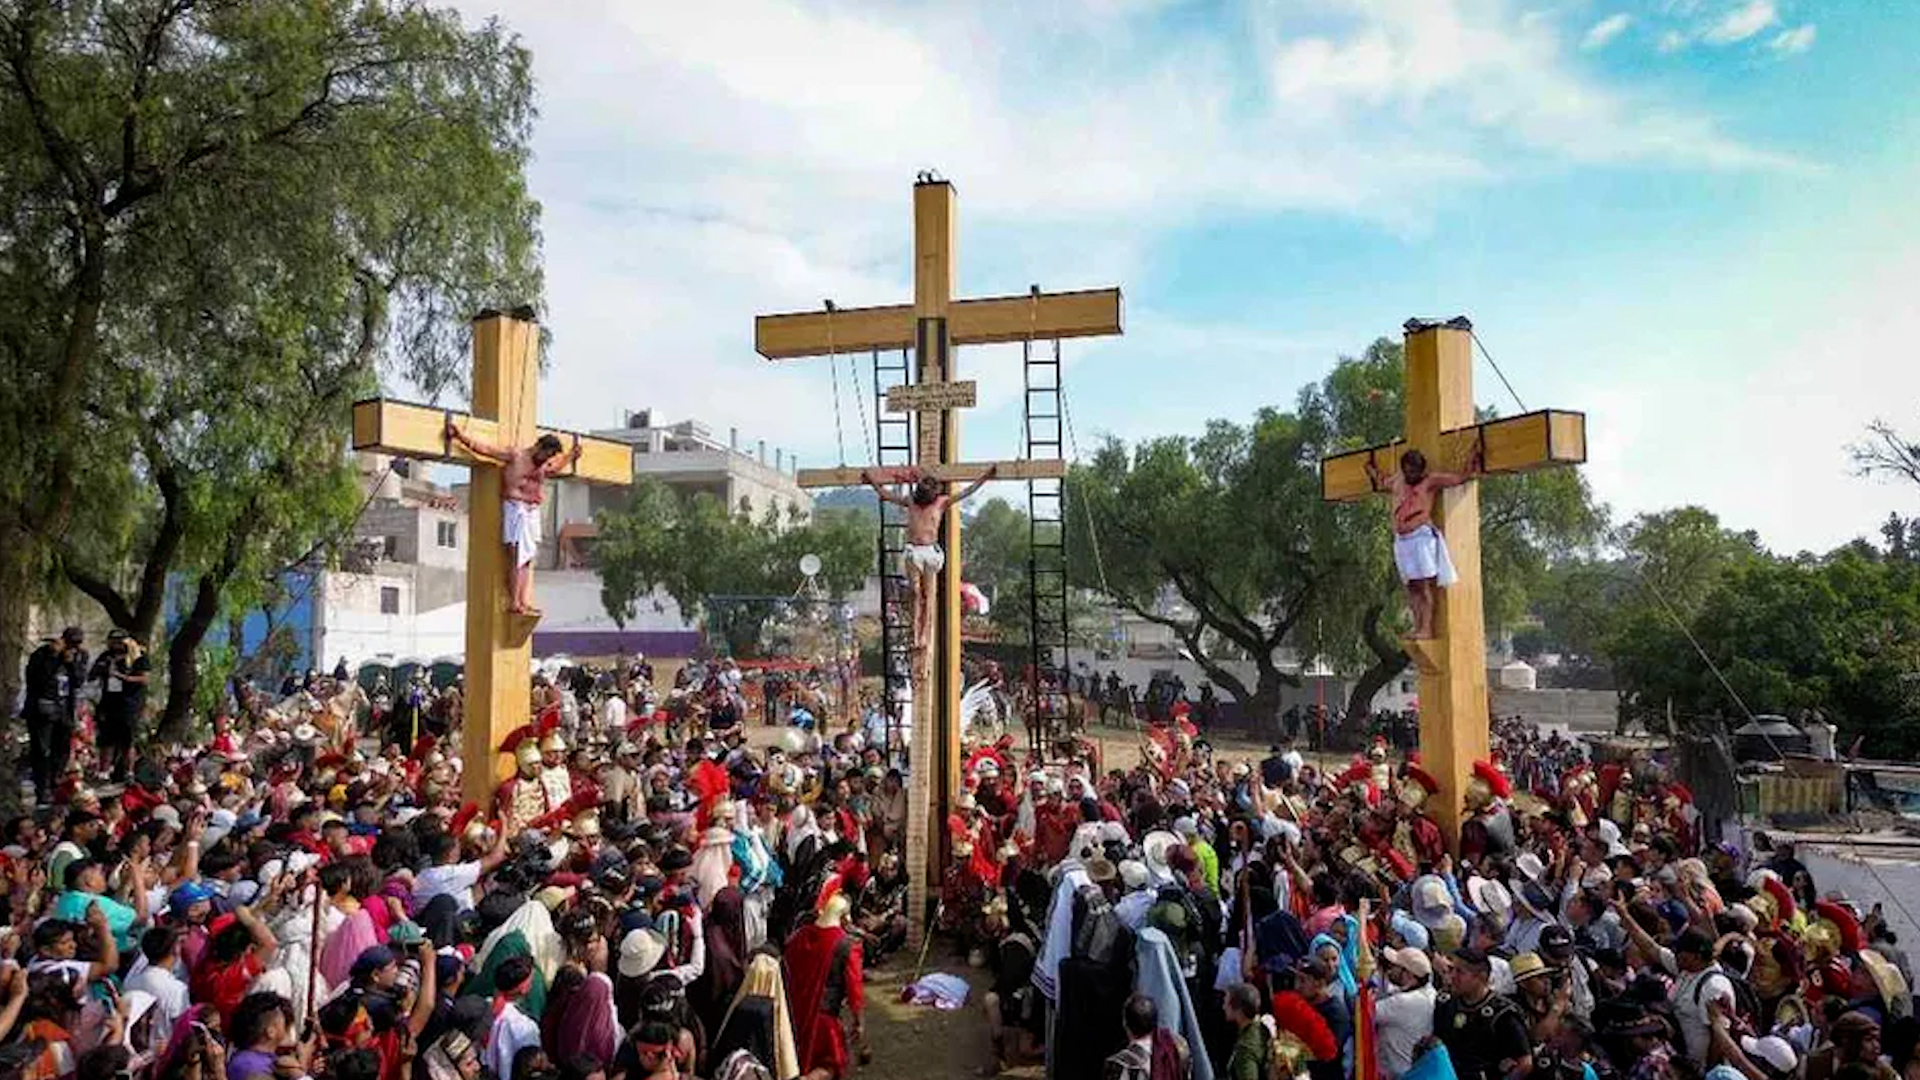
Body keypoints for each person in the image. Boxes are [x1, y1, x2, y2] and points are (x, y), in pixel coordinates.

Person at [444, 419, 582, 617]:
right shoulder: (516, 455)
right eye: (547, 453)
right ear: (538, 446)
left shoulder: (543, 465)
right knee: (517, 555)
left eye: (551, 456)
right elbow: (485, 450)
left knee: (527, 559)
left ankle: (523, 601)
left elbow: (555, 468)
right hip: (516, 507)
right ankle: (515, 602)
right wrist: (460, 437)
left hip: (532, 510)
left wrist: (571, 456)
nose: (547, 459)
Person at [861, 465, 997, 654]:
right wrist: (872, 481)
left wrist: (986, 476)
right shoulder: (911, 502)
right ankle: (916, 633)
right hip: (914, 551)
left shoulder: (941, 502)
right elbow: (887, 495)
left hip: (930, 552)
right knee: (916, 594)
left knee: (930, 596)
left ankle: (924, 634)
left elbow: (968, 491)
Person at [1365, 444, 1482, 640]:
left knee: (1424, 585)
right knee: (1411, 586)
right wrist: (1370, 469)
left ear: (1421, 470)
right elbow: (1381, 482)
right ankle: (1418, 625)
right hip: (1402, 540)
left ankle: (1426, 628)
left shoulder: (1430, 481)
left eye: (1414, 471)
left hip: (1421, 536)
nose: (1410, 475)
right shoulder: (1398, 481)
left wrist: (1472, 458)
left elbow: (1460, 477)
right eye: (1407, 470)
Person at [1435, 948, 1532, 1080]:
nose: (1453, 976)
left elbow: (1525, 1063)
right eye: (1452, 970)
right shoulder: (1446, 1004)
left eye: (1460, 972)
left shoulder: (1502, 1014)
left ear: (1482, 976)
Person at [22, 628, 87, 802]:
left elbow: (79, 680)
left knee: (62, 750)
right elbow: (36, 679)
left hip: (64, 711)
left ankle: (54, 782)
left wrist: (71, 662)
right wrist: (53, 656)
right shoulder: (42, 655)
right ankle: (42, 790)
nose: (73, 647)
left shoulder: (79, 655)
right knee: (42, 752)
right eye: (71, 642)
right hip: (42, 710)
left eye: (77, 643)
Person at [89, 630, 149, 782]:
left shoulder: (137, 656)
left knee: (127, 741)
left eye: (119, 641)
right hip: (108, 703)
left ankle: (128, 772)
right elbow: (92, 675)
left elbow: (144, 679)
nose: (115, 645)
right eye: (112, 641)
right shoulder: (106, 656)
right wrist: (102, 669)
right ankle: (103, 772)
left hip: (128, 705)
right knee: (106, 740)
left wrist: (122, 676)